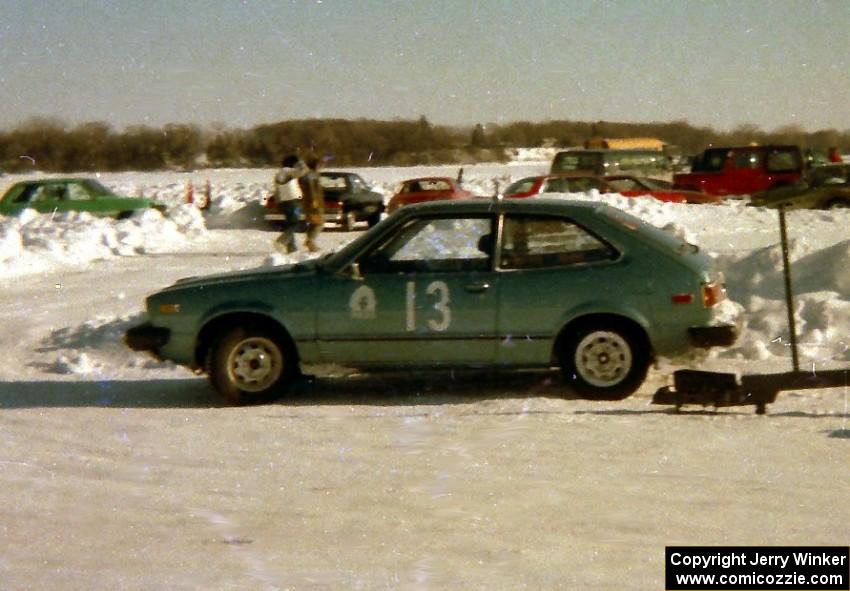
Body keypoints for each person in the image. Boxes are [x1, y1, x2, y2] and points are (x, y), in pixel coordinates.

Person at [272, 154, 307, 253]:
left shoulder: (278, 174)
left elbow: (276, 190)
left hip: (284, 202)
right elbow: (302, 172)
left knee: (289, 223)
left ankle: (291, 247)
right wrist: (301, 162)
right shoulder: (289, 171)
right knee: (295, 224)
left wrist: (278, 203)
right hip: (293, 201)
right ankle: (282, 240)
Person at [299, 155, 325, 252]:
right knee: (319, 223)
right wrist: (314, 200)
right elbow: (311, 189)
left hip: (310, 202)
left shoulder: (310, 174)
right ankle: (310, 241)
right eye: (320, 164)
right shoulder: (312, 175)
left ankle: (310, 242)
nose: (321, 166)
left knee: (313, 223)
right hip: (314, 203)